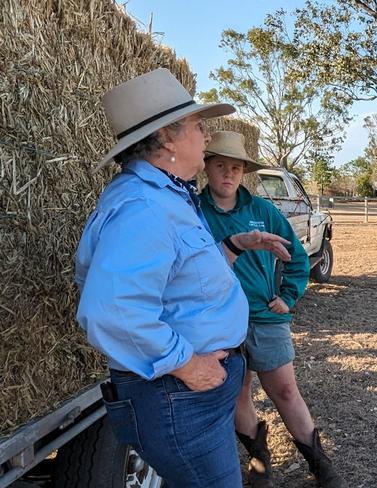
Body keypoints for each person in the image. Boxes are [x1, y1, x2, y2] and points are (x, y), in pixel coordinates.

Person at [75, 68, 292, 488]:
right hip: (178, 398)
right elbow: (112, 310)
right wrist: (188, 365)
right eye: (198, 126)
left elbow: (181, 279)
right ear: (168, 138)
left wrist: (234, 246)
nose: (206, 136)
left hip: (186, 397)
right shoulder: (144, 207)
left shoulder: (163, 196)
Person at [200, 131, 345, 488]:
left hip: (265, 318)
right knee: (237, 392)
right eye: (220, 166)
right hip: (219, 323)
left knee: (284, 391)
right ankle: (259, 460)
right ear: (206, 168)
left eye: (235, 167)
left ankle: (321, 465)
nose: (228, 174)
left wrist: (289, 296)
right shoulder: (194, 212)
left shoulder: (262, 211)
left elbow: (298, 257)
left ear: (244, 171)